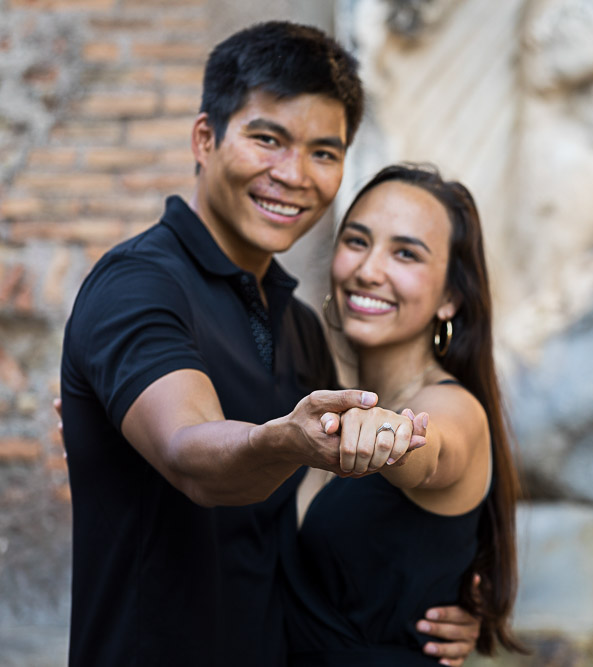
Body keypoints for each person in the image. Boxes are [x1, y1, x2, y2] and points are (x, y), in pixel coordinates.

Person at [60, 22, 478, 667]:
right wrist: (280, 439)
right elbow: (187, 452)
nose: (293, 175)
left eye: (323, 151)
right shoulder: (139, 285)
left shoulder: (297, 325)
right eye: (267, 139)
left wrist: (435, 592)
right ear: (206, 139)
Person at [280, 164, 526, 665]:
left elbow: (430, 451)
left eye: (405, 253)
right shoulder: (318, 392)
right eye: (356, 241)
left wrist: (392, 437)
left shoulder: (453, 407)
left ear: (450, 297)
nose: (369, 269)